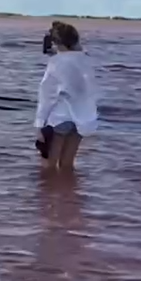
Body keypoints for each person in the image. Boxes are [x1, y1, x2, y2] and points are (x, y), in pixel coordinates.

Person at [34, 22, 98, 172]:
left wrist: (39, 125)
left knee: (48, 166)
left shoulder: (56, 63)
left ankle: (51, 194)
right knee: (68, 165)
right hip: (83, 118)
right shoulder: (86, 60)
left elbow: (47, 96)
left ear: (56, 43)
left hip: (59, 118)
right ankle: (68, 193)